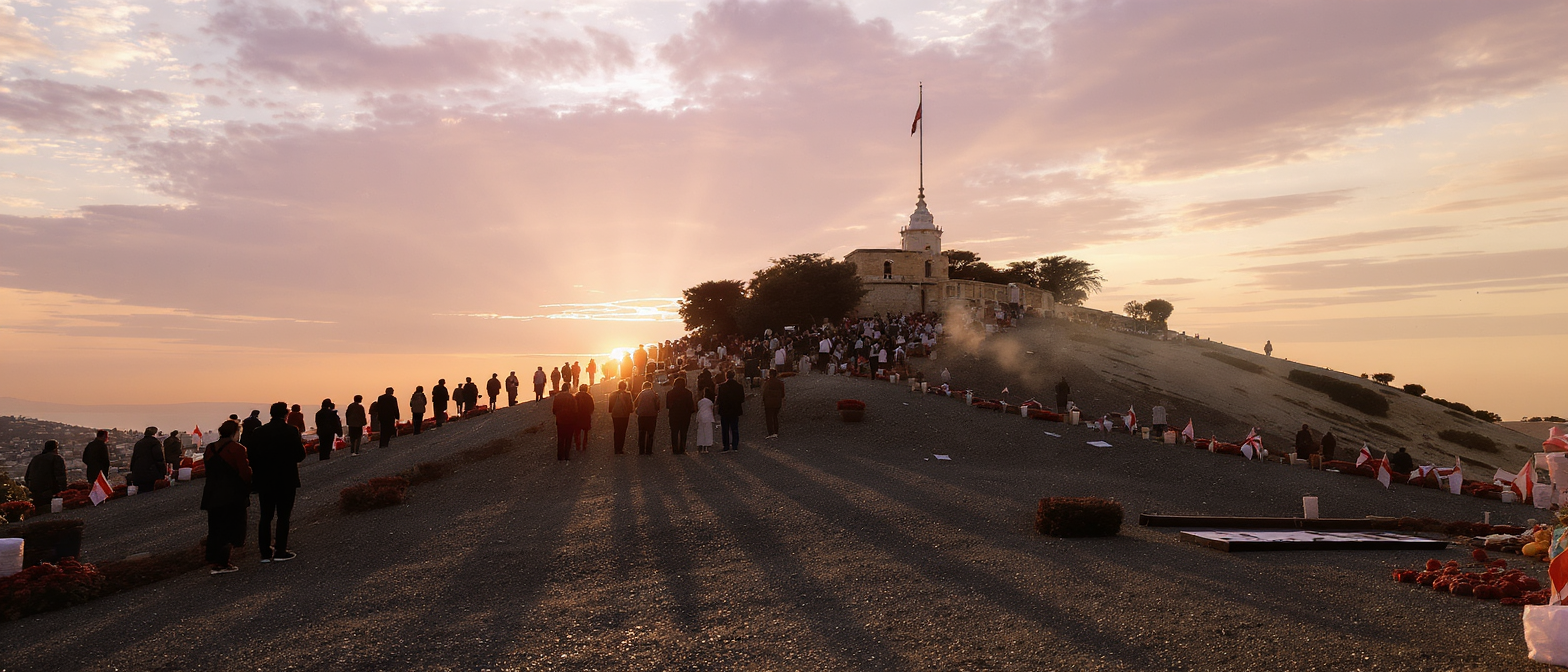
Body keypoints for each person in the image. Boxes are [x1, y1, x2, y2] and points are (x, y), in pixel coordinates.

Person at [246, 402, 305, 563]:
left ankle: (265, 553)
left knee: (265, 516)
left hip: (264, 480)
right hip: (286, 478)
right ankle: (280, 550)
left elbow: (250, 456)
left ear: (271, 414)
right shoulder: (291, 431)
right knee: (283, 516)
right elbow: (300, 455)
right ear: (286, 415)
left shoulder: (259, 432)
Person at [200, 420, 250, 575]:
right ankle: (223, 562)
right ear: (235, 432)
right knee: (231, 528)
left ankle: (214, 560)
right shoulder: (237, 449)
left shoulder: (209, 448)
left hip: (212, 493)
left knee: (215, 528)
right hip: (232, 495)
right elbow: (244, 473)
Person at [25, 440, 67, 512]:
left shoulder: (35, 459)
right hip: (50, 494)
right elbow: (61, 477)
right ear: (55, 449)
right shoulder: (56, 458)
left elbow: (27, 477)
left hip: (35, 494)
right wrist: (63, 492)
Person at [716, 371, 746, 452]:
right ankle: (735, 445)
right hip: (735, 410)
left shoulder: (722, 387)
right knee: (734, 428)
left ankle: (726, 446)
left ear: (726, 376)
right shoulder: (739, 386)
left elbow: (719, 399)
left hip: (724, 410)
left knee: (725, 429)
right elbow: (742, 399)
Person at [130, 427, 165, 492]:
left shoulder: (139, 443)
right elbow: (159, 458)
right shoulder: (155, 443)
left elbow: (134, 458)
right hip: (151, 473)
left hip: (138, 473)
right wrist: (163, 472)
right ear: (154, 433)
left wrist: (133, 471)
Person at [667, 376, 695, 455]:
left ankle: (675, 449)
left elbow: (668, 406)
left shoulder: (670, 393)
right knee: (684, 432)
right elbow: (691, 405)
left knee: (674, 432)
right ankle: (682, 448)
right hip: (685, 415)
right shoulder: (688, 393)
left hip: (674, 415)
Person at [607, 381, 634, 454]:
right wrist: (630, 410)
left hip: (615, 415)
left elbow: (610, 405)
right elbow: (630, 405)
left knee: (616, 431)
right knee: (622, 431)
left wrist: (611, 411)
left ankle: (616, 448)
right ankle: (620, 448)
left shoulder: (613, 394)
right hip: (624, 415)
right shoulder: (628, 394)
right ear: (625, 386)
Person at [552, 383, 577, 461]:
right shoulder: (571, 397)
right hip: (570, 420)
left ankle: (560, 456)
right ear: (568, 389)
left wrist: (558, 414)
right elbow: (575, 409)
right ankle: (566, 455)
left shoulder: (557, 397)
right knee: (568, 438)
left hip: (560, 420)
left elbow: (554, 410)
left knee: (560, 438)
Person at [635, 381, 661, 455]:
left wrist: (637, 411)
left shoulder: (641, 394)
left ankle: (641, 450)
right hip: (652, 415)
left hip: (642, 415)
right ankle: (649, 450)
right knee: (650, 433)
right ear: (651, 386)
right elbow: (657, 405)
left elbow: (635, 403)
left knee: (641, 432)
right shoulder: (654, 394)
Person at [761, 369, 785, 439]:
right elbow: (783, 394)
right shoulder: (780, 383)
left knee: (769, 418)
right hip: (777, 402)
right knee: (775, 417)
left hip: (768, 403)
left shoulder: (767, 383)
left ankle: (771, 432)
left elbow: (764, 392)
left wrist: (763, 401)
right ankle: (776, 431)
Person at [574, 384, 594, 452]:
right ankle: (584, 445)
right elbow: (592, 407)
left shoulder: (576, 396)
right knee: (585, 432)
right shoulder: (589, 397)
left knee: (577, 431)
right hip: (586, 416)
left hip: (577, 416)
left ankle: (577, 444)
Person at [696, 388, 716, 454]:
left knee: (701, 430)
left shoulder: (700, 401)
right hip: (708, 417)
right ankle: (707, 444)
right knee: (708, 431)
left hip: (701, 416)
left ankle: (700, 443)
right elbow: (712, 409)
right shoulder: (710, 402)